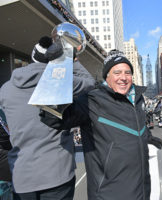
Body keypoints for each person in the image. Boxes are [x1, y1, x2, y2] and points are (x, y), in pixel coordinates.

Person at [40, 49, 162, 200]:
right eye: (117, 72)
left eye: (127, 72)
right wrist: (57, 67)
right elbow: (52, 118)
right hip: (108, 194)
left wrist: (147, 136)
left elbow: (135, 125)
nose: (123, 78)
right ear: (107, 76)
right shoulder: (92, 100)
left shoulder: (137, 98)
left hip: (142, 191)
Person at [0, 36, 95, 200]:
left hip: (22, 177)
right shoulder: (61, 82)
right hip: (57, 174)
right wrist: (71, 59)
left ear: (33, 57)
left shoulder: (6, 89)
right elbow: (89, 82)